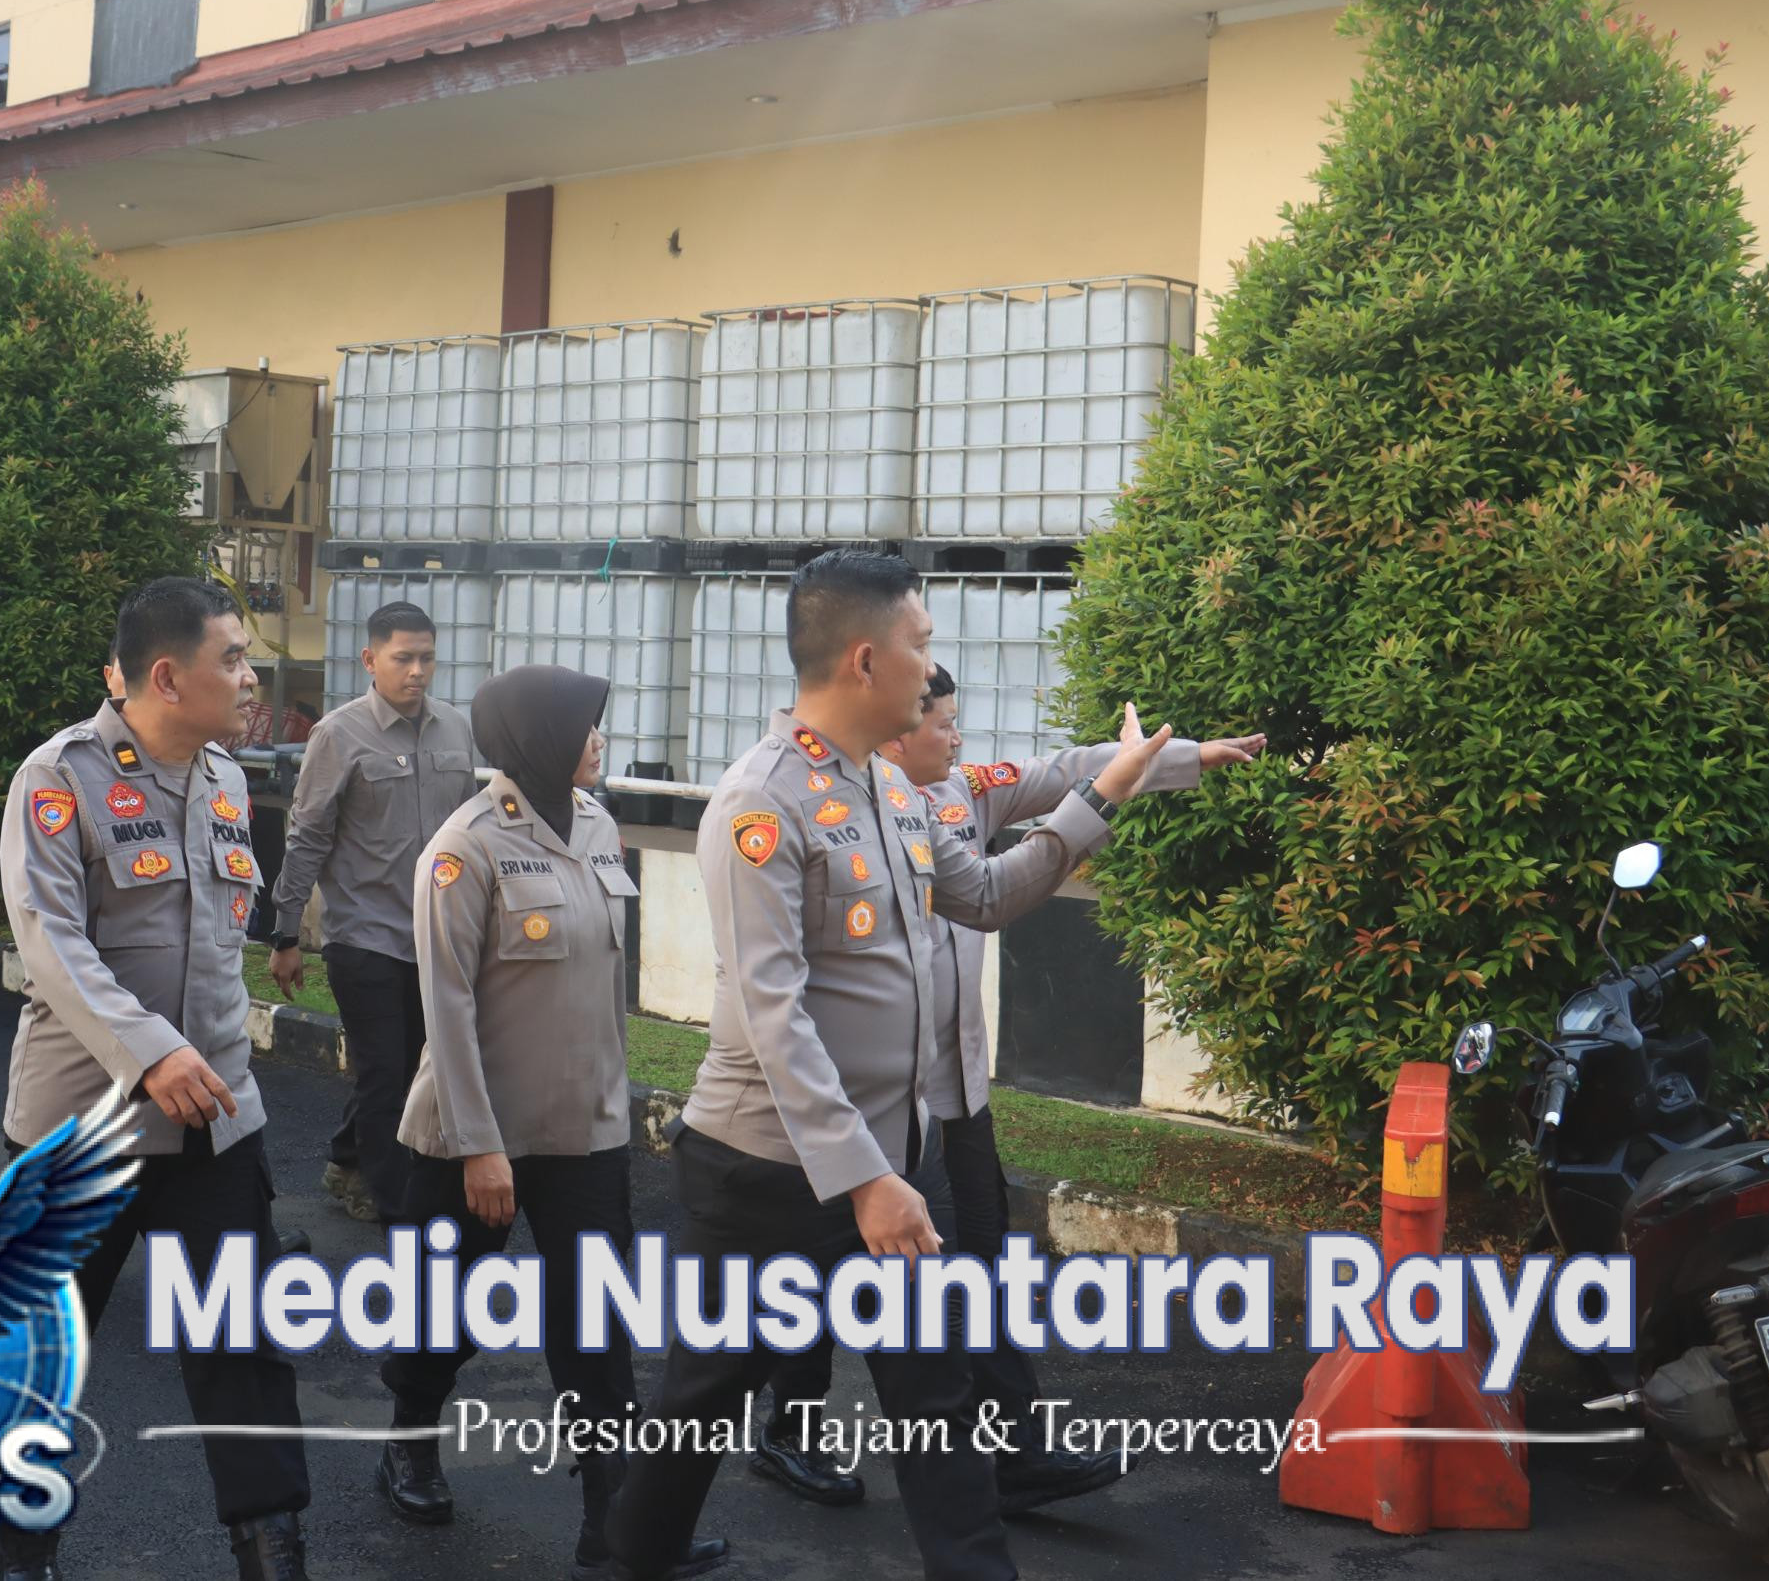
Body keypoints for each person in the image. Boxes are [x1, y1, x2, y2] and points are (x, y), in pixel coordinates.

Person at [600, 549, 1172, 1581]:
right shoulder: (759, 803)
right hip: (768, 1172)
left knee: (935, 1395)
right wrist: (866, 1177)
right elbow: (771, 1014)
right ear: (866, 659)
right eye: (920, 642)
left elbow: (986, 896)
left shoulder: (895, 791)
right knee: (704, 1396)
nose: (931, 664)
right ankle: (628, 1560)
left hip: (889, 1166)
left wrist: (1103, 792)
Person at [754, 666, 1264, 1512]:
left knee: (977, 1275)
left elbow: (1061, 773)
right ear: (894, 728)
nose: (957, 738)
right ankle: (794, 1431)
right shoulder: (831, 812)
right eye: (941, 723)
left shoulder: (961, 794)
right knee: (826, 1275)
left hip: (958, 1097)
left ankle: (1010, 1452)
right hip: (869, 1104)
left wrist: (1182, 758)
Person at [374, 665, 728, 1581]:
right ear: (536, 739)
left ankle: (614, 1522)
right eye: (582, 727)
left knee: (596, 1331)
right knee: (445, 1311)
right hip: (473, 1137)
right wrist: (479, 1146)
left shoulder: (600, 826)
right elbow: (446, 1010)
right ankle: (409, 1438)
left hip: (583, 1132)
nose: (597, 741)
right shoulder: (465, 848)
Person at [0, 576, 311, 1581]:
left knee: (243, 1348)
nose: (251, 678)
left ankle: (272, 1552)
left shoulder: (224, 778)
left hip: (213, 1118)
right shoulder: (59, 777)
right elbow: (51, 943)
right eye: (235, 658)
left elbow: (218, 952)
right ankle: (22, 1547)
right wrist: (150, 1051)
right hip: (80, 1125)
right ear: (168, 676)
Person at [268, 602, 478, 1226]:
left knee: (411, 1066)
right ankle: (397, 1211)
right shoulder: (338, 734)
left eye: (427, 658)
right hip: (364, 936)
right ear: (370, 659)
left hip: (436, 936)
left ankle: (347, 1156)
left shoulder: (455, 729)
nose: (418, 671)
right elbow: (307, 837)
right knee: (385, 1072)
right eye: (403, 658)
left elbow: (471, 832)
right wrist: (285, 933)